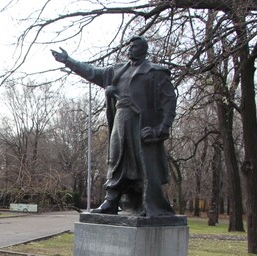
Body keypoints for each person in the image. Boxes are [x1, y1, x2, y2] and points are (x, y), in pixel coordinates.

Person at [52, 36, 177, 217]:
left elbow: (169, 101)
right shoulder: (117, 71)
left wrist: (162, 129)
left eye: (133, 47)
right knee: (117, 161)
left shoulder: (155, 72)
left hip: (141, 123)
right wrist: (68, 61)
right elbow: (92, 72)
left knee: (141, 163)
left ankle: (146, 203)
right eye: (129, 46)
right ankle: (111, 200)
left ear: (143, 49)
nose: (129, 49)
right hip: (121, 119)